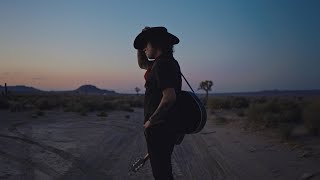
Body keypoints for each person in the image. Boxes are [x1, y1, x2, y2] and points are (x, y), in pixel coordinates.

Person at [134, 26, 183, 180]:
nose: (144, 48)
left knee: (162, 174)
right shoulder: (162, 63)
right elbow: (142, 64)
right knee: (163, 171)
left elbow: (169, 97)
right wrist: (142, 40)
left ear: (156, 44)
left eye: (146, 44)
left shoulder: (162, 65)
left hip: (160, 127)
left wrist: (151, 121)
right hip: (164, 127)